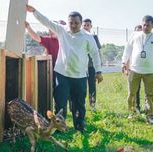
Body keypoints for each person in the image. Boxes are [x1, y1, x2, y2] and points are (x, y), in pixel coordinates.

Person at [26, 4, 103, 132]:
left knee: (78, 103)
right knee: (60, 103)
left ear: (81, 23)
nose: (73, 26)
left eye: (76, 23)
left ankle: (79, 125)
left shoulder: (87, 37)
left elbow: (95, 54)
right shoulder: (62, 30)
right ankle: (59, 127)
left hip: (80, 76)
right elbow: (46, 22)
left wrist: (99, 71)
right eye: (71, 23)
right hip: (62, 75)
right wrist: (34, 11)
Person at [122, 15, 153, 124]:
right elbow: (127, 49)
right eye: (144, 25)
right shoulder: (135, 35)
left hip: (149, 72)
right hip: (134, 70)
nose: (146, 27)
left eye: (148, 25)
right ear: (142, 24)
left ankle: (149, 116)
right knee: (131, 93)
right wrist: (124, 62)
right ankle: (132, 113)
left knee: (149, 94)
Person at [82, 18, 102, 111]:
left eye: (88, 25)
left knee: (92, 85)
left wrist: (99, 67)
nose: (86, 27)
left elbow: (98, 52)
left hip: (91, 66)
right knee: (81, 86)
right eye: (84, 25)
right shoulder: (79, 36)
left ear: (91, 26)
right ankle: (81, 104)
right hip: (81, 66)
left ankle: (92, 104)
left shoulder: (94, 37)